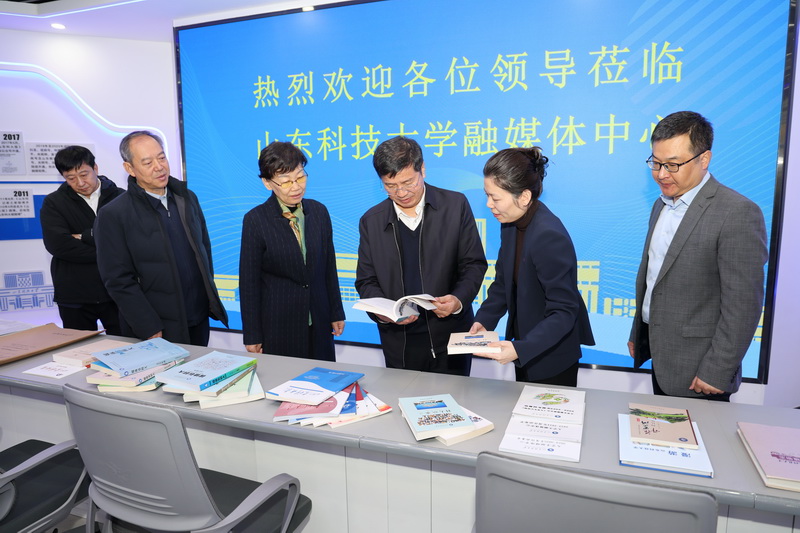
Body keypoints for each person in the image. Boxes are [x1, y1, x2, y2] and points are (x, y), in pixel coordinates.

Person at [628, 111, 768, 400]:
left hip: (701, 369)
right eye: (656, 163)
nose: (661, 174)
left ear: (704, 159)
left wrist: (717, 370)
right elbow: (654, 278)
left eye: (673, 165)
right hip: (661, 356)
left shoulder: (737, 212)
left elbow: (743, 305)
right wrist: (639, 334)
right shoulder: (661, 205)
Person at [356, 136, 487, 375]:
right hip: (400, 342)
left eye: (408, 182)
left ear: (422, 169)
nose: (401, 192)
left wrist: (458, 300)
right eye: (390, 185)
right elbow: (366, 280)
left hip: (451, 337)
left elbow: (473, 264)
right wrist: (383, 313)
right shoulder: (371, 221)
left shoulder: (455, 205)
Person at [469, 147, 595, 386]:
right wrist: (484, 320)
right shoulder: (510, 223)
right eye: (487, 195)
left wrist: (520, 348)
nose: (489, 204)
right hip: (523, 347)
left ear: (524, 197)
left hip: (551, 355)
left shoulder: (548, 235)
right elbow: (503, 282)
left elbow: (564, 310)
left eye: (496, 198)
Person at [95, 131, 228, 345]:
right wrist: (148, 325)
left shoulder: (187, 198)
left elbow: (204, 251)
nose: (159, 167)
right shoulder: (114, 214)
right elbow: (117, 279)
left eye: (162, 157)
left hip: (198, 317)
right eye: (148, 162)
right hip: (157, 326)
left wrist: (209, 300)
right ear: (130, 168)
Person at [239, 141, 345, 360]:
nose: (296, 187)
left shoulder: (319, 212)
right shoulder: (256, 220)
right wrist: (252, 333)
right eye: (286, 181)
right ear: (268, 183)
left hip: (319, 320)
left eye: (300, 177)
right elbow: (249, 283)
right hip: (279, 325)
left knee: (324, 377)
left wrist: (336, 311)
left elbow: (329, 267)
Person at [40, 146, 124, 335]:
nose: (80, 183)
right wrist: (110, 251)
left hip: (117, 291)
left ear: (95, 168)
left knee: (127, 345)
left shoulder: (121, 197)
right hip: (74, 294)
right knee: (79, 349)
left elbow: (130, 239)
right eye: (71, 178)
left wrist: (83, 236)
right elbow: (59, 245)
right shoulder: (54, 203)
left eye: (84, 174)